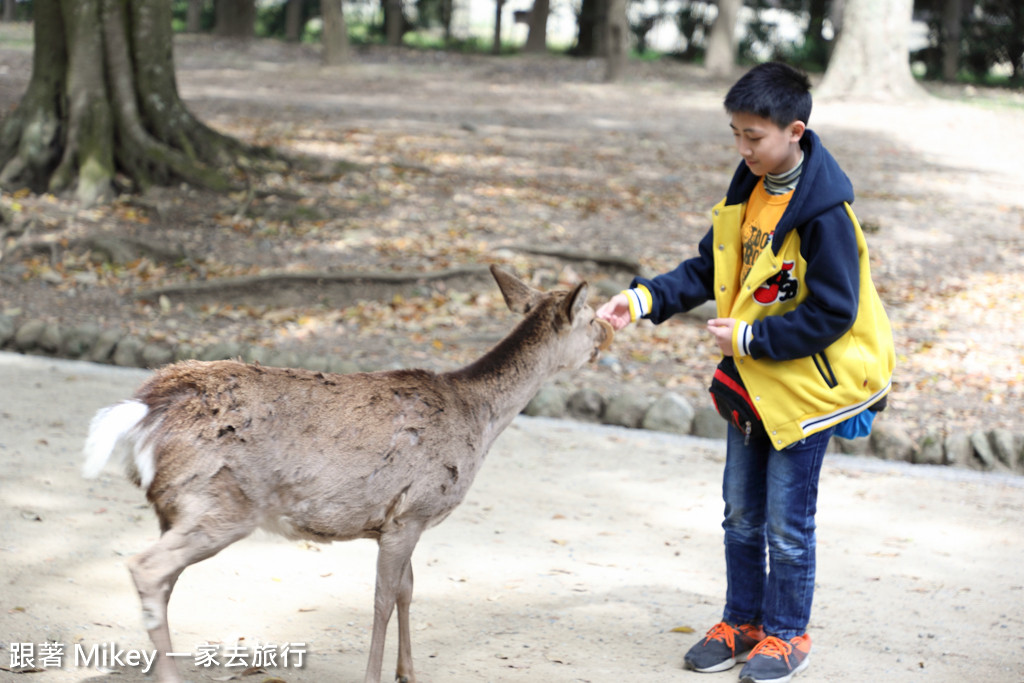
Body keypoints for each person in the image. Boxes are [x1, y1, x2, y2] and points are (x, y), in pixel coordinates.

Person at [596, 62, 894, 683]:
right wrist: (643, 299)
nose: (742, 148)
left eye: (753, 137)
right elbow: (710, 269)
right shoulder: (749, 190)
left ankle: (788, 634)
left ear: (795, 131)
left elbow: (835, 312)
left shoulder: (825, 215)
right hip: (752, 385)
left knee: (789, 525)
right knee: (739, 512)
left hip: (806, 391)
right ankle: (743, 622)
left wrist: (752, 336)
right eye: (735, 133)